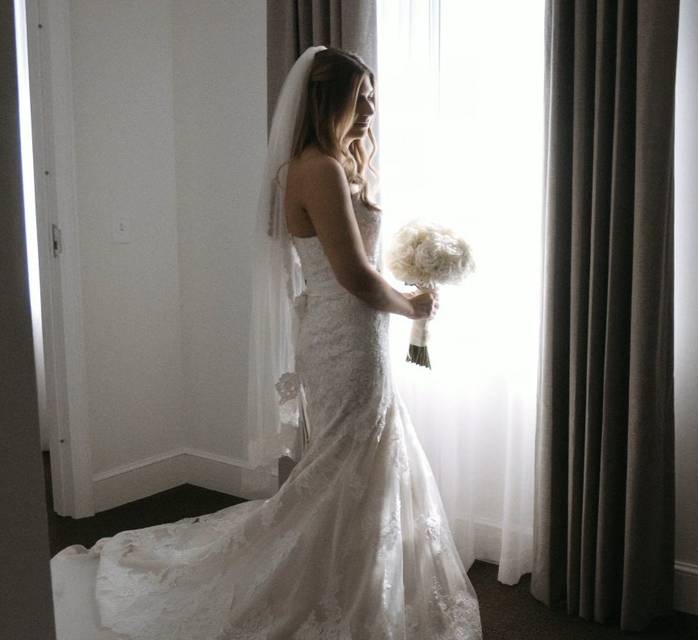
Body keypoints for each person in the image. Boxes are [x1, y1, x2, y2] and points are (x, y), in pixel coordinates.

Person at [49, 46, 483, 640]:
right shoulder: (317, 170)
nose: (372, 111)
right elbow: (353, 275)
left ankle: (350, 575)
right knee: (347, 461)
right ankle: (328, 584)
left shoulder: (337, 165)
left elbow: (356, 269)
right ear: (328, 100)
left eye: (374, 98)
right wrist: (413, 305)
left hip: (358, 335)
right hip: (342, 339)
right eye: (362, 98)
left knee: (356, 460)